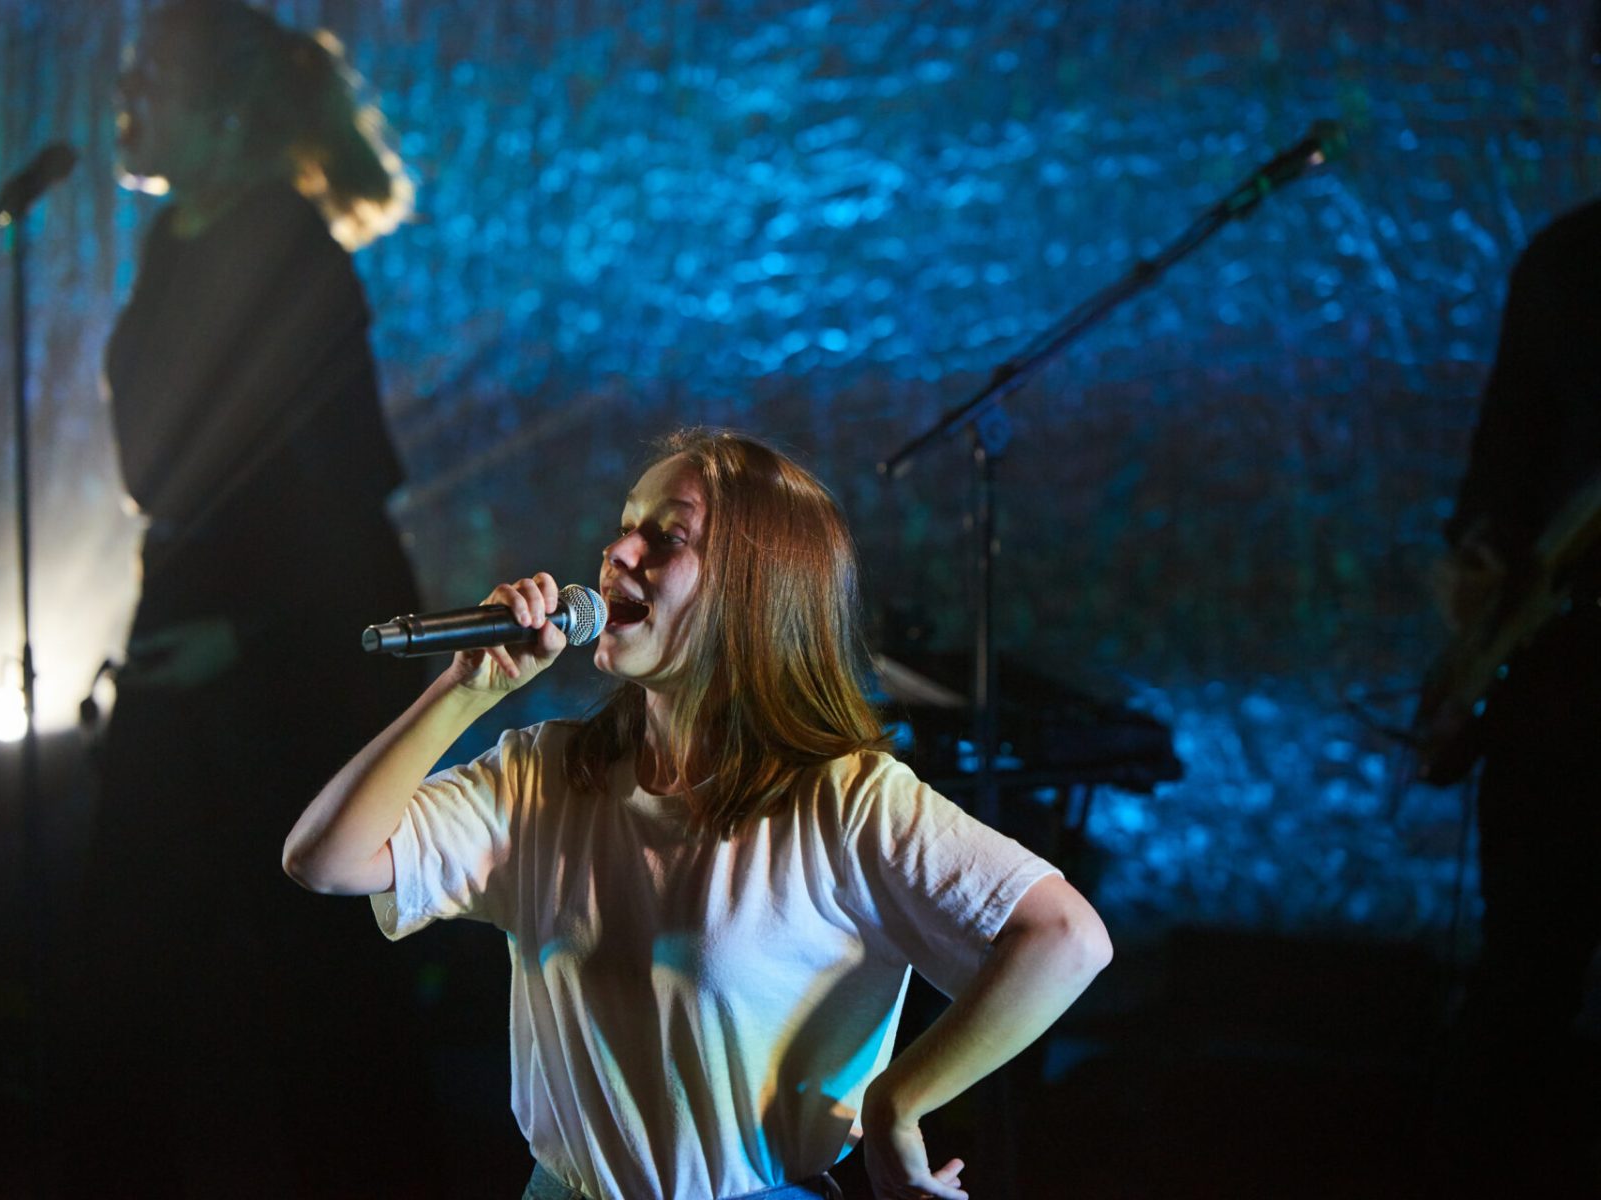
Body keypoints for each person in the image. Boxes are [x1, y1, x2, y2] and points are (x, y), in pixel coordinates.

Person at [284, 429, 1113, 1199]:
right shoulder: (545, 775)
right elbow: (324, 858)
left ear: (756, 587)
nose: (618, 554)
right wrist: (465, 691)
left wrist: (899, 1102)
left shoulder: (844, 800)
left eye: (666, 536)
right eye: (623, 528)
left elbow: (1065, 938)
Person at [59, 2, 424, 1193]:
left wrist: (251, 633)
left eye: (150, 78)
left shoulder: (294, 253)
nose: (127, 98)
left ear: (223, 107)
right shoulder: (173, 240)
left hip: (295, 661)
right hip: (184, 630)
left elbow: (347, 499)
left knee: (318, 988)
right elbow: (154, 467)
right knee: (130, 976)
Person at [1431, 190, 1601, 1190]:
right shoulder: (1571, 259)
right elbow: (1504, 459)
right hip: (1558, 691)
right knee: (1522, 985)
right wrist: (1481, 562)